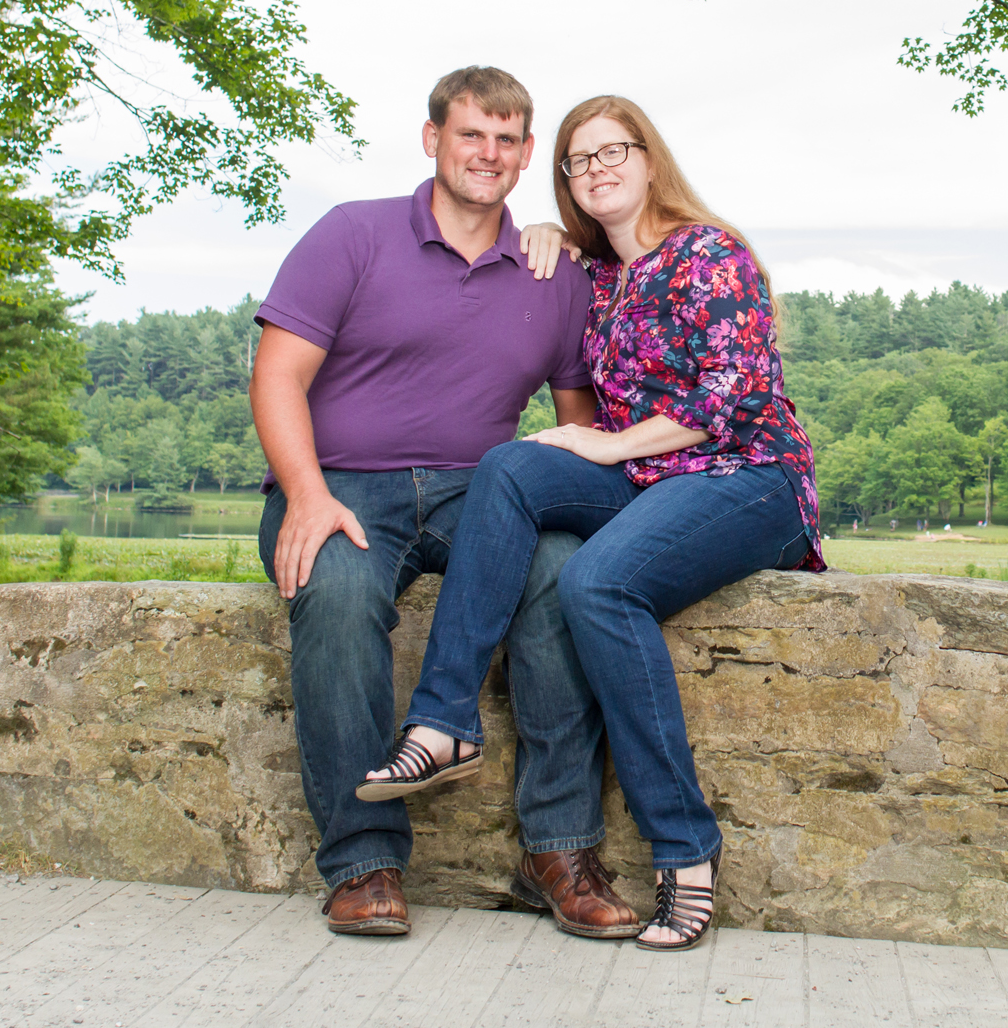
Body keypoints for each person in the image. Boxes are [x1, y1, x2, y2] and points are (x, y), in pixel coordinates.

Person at [358, 94, 821, 952]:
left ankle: (687, 851)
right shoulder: (596, 275)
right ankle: (444, 722)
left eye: (617, 151)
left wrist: (600, 446)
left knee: (596, 580)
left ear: (652, 159)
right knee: (511, 465)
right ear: (565, 177)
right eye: (580, 159)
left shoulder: (708, 253)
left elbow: (727, 401)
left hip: (749, 477)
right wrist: (548, 234)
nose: (600, 168)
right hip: (655, 480)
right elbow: (560, 262)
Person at [250, 66, 642, 941]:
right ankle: (363, 860)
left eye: (506, 141)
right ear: (433, 138)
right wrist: (306, 494)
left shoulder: (553, 271)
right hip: (345, 480)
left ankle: (561, 851)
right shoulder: (352, 234)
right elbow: (277, 374)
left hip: (482, 492)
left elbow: (577, 425)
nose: (488, 154)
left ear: (527, 154)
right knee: (341, 589)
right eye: (471, 134)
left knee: (560, 574)